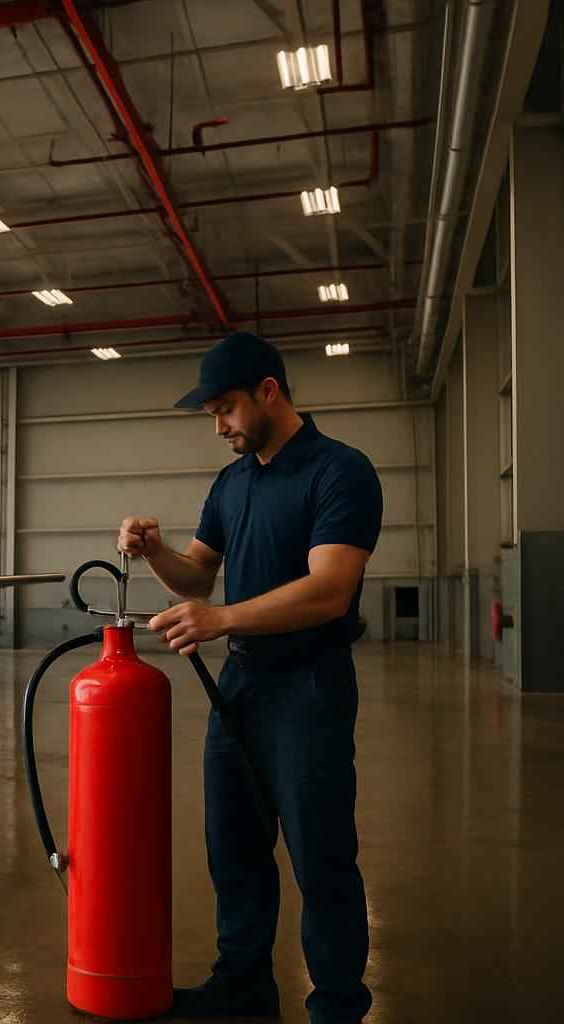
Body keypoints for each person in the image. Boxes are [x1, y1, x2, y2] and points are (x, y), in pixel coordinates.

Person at [117, 331, 381, 1024]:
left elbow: (329, 590)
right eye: (212, 414)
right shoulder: (232, 482)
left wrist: (223, 618)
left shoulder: (339, 471)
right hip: (240, 687)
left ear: (269, 391)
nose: (219, 426)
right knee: (233, 847)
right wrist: (155, 553)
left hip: (308, 687)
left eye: (226, 408)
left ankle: (337, 1006)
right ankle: (244, 987)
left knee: (320, 855)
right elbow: (198, 574)